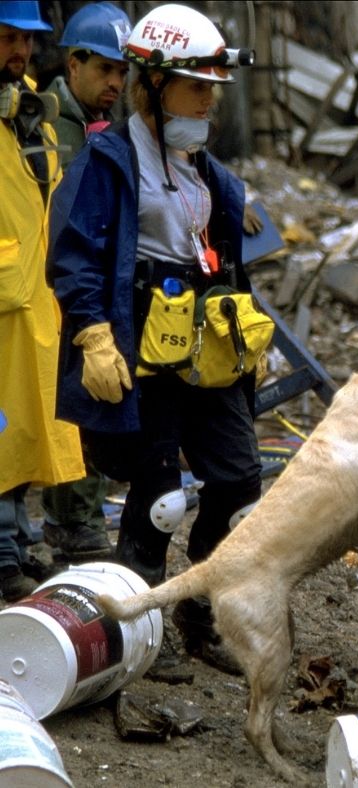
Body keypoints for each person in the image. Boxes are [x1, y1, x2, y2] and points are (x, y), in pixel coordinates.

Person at [48, 3, 264, 671]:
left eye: (211, 89)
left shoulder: (202, 165)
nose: (208, 102)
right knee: (161, 498)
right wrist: (92, 335)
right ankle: (142, 633)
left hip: (208, 347)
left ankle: (202, 615)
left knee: (238, 484)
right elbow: (74, 253)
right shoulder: (110, 160)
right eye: (197, 86)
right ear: (155, 83)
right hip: (144, 346)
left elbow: (227, 255)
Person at [40, 1, 132, 561]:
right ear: (73, 65)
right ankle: (68, 528)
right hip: (44, 292)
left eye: (123, 72)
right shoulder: (43, 122)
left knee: (93, 404)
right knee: (57, 411)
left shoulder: (112, 133)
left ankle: (77, 520)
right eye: (104, 69)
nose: (116, 83)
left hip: (91, 291)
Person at [0, 0, 85, 602]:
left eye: (26, 41)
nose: (21, 52)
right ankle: (3, 550)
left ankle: (16, 541)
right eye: (8, 38)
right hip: (9, 293)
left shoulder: (31, 110)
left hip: (29, 297)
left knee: (22, 429)